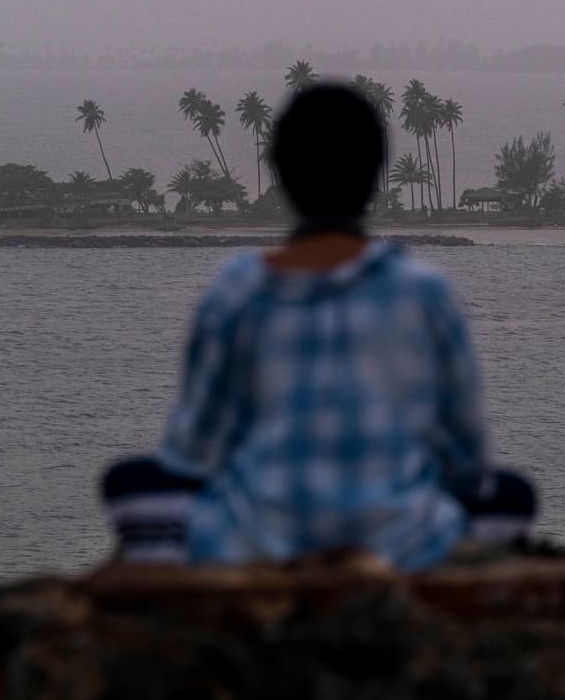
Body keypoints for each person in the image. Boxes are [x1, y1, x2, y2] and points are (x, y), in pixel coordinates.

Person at [101, 84, 534, 570]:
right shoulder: (425, 292)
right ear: (376, 176)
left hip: (254, 543)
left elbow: (194, 451)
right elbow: (468, 460)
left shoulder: (237, 290)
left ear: (282, 175)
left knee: (130, 481)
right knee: (514, 495)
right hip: (406, 544)